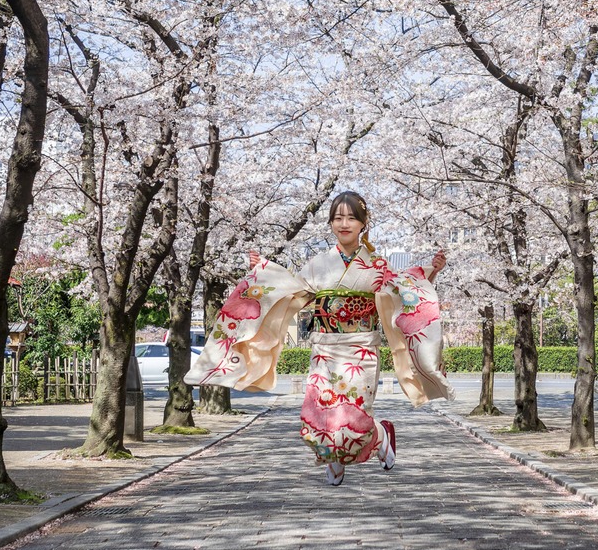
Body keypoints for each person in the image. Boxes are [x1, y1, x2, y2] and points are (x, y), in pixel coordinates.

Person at [185, 191, 454, 486]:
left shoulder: (376, 265)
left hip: (360, 349)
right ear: (330, 223)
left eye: (352, 217)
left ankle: (379, 434)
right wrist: (263, 270)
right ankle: (332, 458)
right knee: (315, 418)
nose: (344, 223)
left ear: (363, 223)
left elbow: (406, 290)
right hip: (324, 350)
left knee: (354, 420)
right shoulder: (318, 264)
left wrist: (431, 272)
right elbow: (290, 289)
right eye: (338, 218)